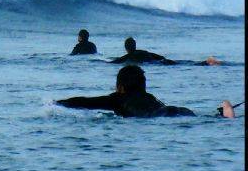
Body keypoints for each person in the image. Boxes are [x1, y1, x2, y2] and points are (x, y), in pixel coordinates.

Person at [57, 64, 194, 117]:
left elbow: (86, 102)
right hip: (176, 110)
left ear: (120, 87)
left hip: (155, 115)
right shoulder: (151, 97)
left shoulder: (118, 99)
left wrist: (59, 103)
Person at [110, 36, 175, 65]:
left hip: (150, 63)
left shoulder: (128, 56)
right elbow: (161, 57)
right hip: (154, 61)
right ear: (135, 46)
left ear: (126, 47)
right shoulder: (144, 52)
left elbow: (116, 62)